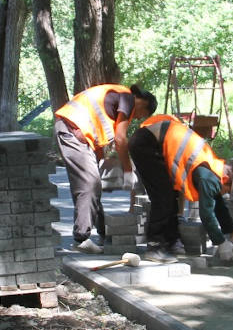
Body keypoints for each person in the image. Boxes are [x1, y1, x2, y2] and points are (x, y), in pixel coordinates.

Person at [130, 114, 233, 262]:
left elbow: (218, 204)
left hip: (152, 142)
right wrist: (220, 242)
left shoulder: (214, 168)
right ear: (227, 179)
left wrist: (232, 233)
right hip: (146, 143)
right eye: (228, 190)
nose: (225, 193)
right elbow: (206, 215)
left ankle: (169, 242)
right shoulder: (208, 177)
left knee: (169, 197)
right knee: (163, 198)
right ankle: (154, 247)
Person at [54, 83, 157, 253]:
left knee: (92, 185)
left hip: (74, 131)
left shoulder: (117, 97)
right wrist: (127, 171)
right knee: (89, 185)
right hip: (71, 130)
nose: (138, 118)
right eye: (142, 114)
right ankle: (81, 239)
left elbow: (97, 129)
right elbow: (120, 139)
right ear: (143, 102)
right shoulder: (128, 98)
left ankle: (105, 232)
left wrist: (101, 160)